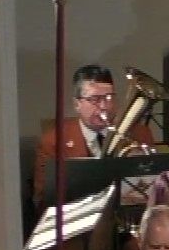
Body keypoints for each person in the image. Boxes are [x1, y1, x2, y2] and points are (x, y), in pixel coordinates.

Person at [33, 64, 156, 204]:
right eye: (94, 99)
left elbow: (155, 188)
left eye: (109, 97)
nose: (104, 106)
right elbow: (43, 199)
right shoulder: (52, 142)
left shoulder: (140, 134)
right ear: (76, 104)